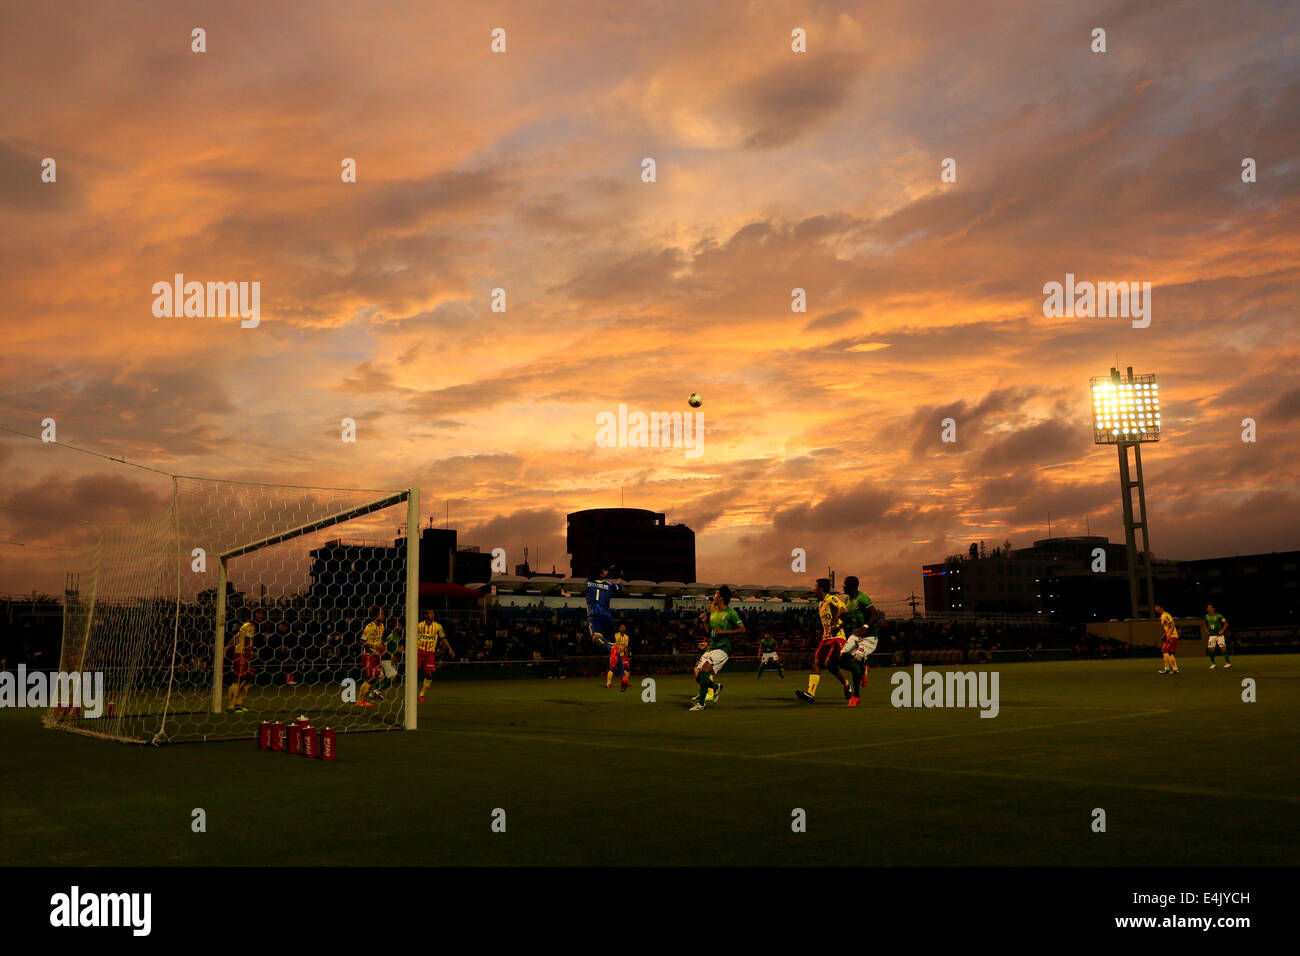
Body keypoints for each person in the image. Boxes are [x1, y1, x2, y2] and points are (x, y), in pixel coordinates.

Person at [691, 586, 744, 711]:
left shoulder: (731, 613)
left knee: (704, 672)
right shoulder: (713, 613)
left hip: (722, 648)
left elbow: (742, 629)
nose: (714, 596)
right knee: (698, 675)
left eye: (716, 594)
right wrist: (704, 623)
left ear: (721, 598)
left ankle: (701, 704)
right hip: (711, 647)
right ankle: (716, 687)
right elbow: (711, 633)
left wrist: (724, 631)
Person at [796, 579, 849, 703]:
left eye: (815, 587)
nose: (814, 589)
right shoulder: (820, 604)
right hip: (825, 638)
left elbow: (843, 608)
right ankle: (811, 693)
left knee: (828, 664)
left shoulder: (831, 598)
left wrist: (837, 621)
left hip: (837, 637)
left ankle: (846, 684)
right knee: (817, 664)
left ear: (821, 589)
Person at [838, 575, 884, 706]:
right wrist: (842, 621)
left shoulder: (862, 598)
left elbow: (876, 615)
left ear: (852, 586)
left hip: (868, 637)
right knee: (840, 661)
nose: (843, 586)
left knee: (856, 660)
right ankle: (862, 670)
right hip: (856, 635)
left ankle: (856, 696)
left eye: (845, 584)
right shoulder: (847, 600)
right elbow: (852, 619)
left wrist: (865, 626)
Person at [227, 608, 263, 713]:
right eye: (259, 613)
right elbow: (247, 641)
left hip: (241, 653)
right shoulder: (249, 626)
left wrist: (227, 647)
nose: (261, 616)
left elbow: (237, 636)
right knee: (237, 678)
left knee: (249, 678)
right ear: (254, 614)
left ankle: (238, 703)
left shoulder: (246, 625)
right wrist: (248, 658)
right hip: (241, 654)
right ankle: (231, 706)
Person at [585, 562, 624, 650]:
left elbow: (595, 576)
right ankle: (619, 661)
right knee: (614, 644)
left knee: (596, 637)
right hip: (607, 617)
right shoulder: (609, 585)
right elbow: (619, 586)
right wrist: (620, 577)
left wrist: (606, 570)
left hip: (594, 615)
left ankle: (610, 648)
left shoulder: (588, 583)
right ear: (601, 573)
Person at [417, 609, 455, 700]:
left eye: (433, 613)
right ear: (425, 615)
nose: (433, 615)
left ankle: (421, 694)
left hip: (430, 653)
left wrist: (450, 648)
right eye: (430, 613)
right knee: (413, 672)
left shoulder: (438, 626)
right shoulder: (419, 626)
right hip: (419, 652)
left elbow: (443, 638)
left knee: (429, 675)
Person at [356, 607, 385, 706]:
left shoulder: (382, 626)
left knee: (375, 678)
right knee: (370, 678)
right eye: (381, 614)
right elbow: (362, 641)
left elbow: (379, 640)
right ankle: (360, 700)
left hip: (377, 655)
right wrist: (373, 646)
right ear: (375, 615)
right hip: (368, 655)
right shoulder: (369, 627)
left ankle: (364, 700)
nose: (383, 615)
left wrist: (381, 646)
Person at [1204, 602, 1232, 669]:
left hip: (1219, 635)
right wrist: (1207, 631)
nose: (1208, 609)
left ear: (1213, 609)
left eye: (1209, 608)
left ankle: (1228, 663)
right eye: (1207, 608)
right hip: (1212, 635)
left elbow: (1226, 624)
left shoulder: (1219, 616)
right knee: (1211, 649)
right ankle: (1213, 663)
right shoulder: (1206, 616)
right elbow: (1205, 624)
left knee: (1222, 648)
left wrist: (1222, 630)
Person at [1156, 604, 1180, 675]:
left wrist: (1169, 636)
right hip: (1170, 636)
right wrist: (1164, 636)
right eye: (1155, 607)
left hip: (1173, 636)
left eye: (1157, 607)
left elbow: (1172, 625)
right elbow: (1168, 627)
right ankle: (1166, 669)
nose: (1156, 608)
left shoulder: (1165, 615)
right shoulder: (1163, 616)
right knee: (1164, 651)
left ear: (1161, 607)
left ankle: (1175, 669)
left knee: (1169, 652)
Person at [607, 622, 631, 691]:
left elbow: (626, 647)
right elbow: (611, 645)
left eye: (624, 627)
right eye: (622, 627)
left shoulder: (627, 637)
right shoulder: (615, 635)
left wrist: (627, 656)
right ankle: (608, 684)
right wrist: (611, 654)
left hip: (622, 655)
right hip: (615, 654)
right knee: (612, 668)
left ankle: (625, 682)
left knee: (628, 668)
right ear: (619, 628)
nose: (623, 628)